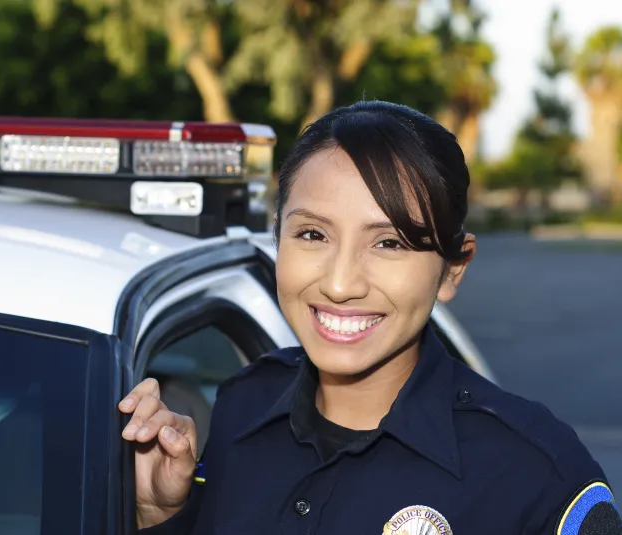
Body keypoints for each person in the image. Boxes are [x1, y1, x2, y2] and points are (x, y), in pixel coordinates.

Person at [118, 100, 622, 535]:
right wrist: (162, 513)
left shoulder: (534, 475)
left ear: (452, 269)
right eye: (313, 235)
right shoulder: (240, 407)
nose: (340, 284)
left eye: (389, 243)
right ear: (277, 239)